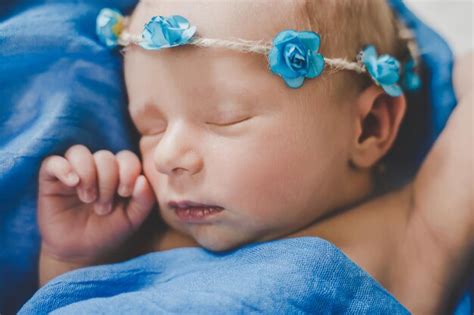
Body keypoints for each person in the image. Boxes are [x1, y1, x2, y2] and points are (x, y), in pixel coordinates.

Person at [35, 0, 473, 313]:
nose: (167, 155)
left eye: (225, 119)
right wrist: (73, 258)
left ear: (369, 126)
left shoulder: (417, 234)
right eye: (149, 127)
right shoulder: (148, 242)